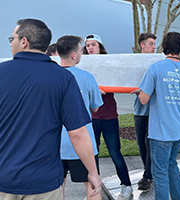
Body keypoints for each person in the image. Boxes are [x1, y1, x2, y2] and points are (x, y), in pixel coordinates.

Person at [0, 18, 101, 199]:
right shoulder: (63, 78)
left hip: (4, 179)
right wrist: (93, 172)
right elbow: (77, 133)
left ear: (24, 42)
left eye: (11, 39)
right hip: (43, 182)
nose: (10, 44)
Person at [138, 32, 180, 200]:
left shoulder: (155, 68)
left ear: (164, 48)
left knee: (160, 171)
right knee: (171, 164)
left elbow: (143, 99)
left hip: (161, 130)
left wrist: (141, 91)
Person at [83, 34, 133, 200]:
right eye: (88, 45)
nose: (90, 47)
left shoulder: (109, 64)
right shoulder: (83, 65)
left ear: (100, 47)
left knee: (114, 153)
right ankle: (94, 190)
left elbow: (118, 85)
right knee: (92, 154)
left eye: (93, 44)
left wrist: (102, 89)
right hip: (91, 118)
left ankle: (126, 185)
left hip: (109, 117)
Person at [57, 35, 104, 200]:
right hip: (83, 142)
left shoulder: (49, 77)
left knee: (56, 188)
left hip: (54, 143)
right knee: (92, 185)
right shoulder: (87, 77)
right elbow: (96, 107)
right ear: (73, 55)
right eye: (80, 50)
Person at [130, 33, 156, 192]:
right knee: (141, 143)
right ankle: (148, 171)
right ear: (142, 45)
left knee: (150, 142)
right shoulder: (134, 63)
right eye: (151, 44)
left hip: (154, 109)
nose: (154, 47)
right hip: (139, 108)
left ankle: (148, 176)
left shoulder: (158, 63)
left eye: (154, 44)